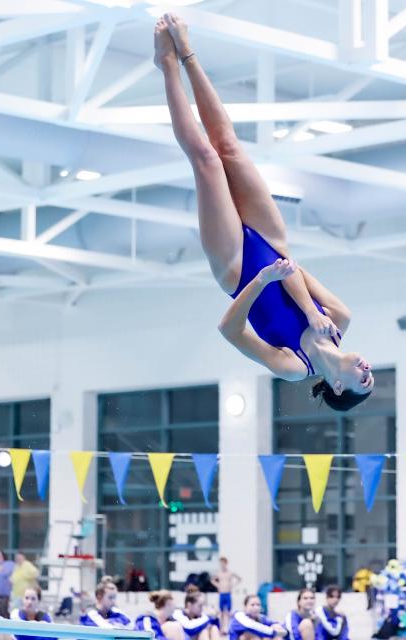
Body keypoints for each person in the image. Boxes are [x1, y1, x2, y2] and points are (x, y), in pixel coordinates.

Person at [154, 13, 374, 412]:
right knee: (229, 146)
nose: (366, 370)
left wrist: (259, 281)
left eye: (363, 381)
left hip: (238, 271)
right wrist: (309, 309)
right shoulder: (339, 317)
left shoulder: (293, 366)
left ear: (339, 387)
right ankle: (187, 53)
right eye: (372, 373)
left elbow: (229, 330)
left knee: (205, 158)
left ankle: (166, 66)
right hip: (271, 242)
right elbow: (296, 270)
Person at [211, 558, 241, 633]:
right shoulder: (218, 573)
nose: (222, 565)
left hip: (227, 593)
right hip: (221, 594)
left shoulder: (230, 573)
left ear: (226, 563)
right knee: (221, 612)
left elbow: (239, 579)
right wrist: (218, 585)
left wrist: (232, 586)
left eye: (223, 563)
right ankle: (221, 629)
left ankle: (228, 628)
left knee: (228, 613)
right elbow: (212, 580)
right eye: (221, 563)